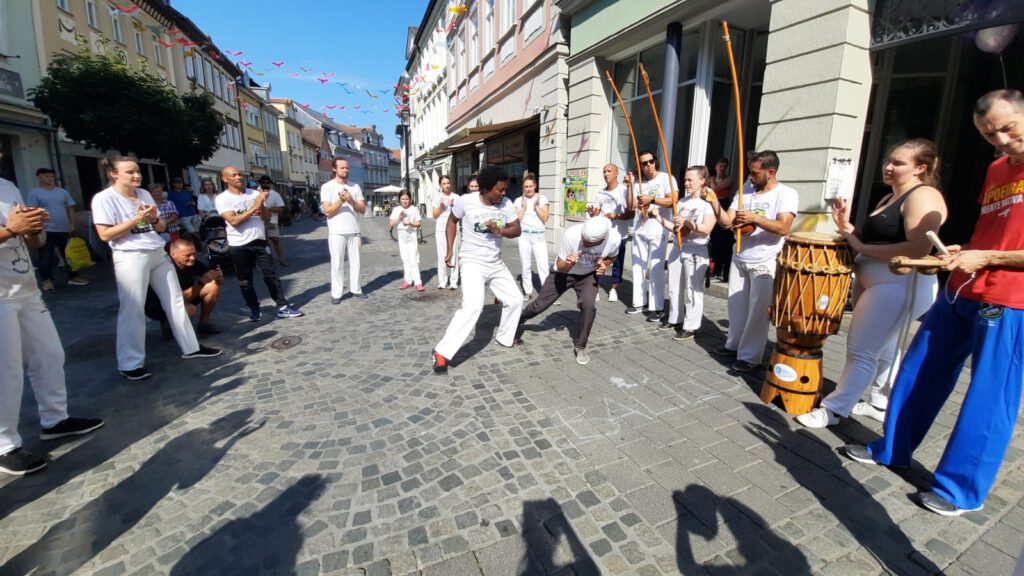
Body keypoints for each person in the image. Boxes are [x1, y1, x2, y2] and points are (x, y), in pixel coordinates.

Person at [843, 89, 1024, 516]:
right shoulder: (998, 168)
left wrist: (992, 257)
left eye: (1006, 127)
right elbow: (996, 228)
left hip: (1011, 299)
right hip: (962, 286)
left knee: (989, 395)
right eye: (987, 133)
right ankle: (892, 447)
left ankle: (960, 489)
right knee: (918, 368)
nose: (998, 139)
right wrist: (967, 249)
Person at [797, 139, 947, 429]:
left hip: (898, 284)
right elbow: (870, 240)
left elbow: (917, 249)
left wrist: (860, 247)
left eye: (898, 163)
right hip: (880, 283)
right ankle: (879, 402)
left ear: (920, 168)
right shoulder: (888, 197)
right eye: (888, 160)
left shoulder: (923, 195)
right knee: (884, 347)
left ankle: (835, 409)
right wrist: (846, 226)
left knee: (861, 350)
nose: (888, 167)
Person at [0, 177, 104, 475]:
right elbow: (11, 230)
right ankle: (4, 444)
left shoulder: (7, 186)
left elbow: (32, 241)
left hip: (25, 287)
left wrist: (34, 230)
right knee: (6, 372)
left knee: (50, 356)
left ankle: (55, 420)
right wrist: (11, 229)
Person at [92, 158, 221, 381]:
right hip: (130, 255)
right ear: (113, 174)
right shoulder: (104, 198)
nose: (136, 175)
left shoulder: (143, 194)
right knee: (132, 308)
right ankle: (130, 363)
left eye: (138, 171)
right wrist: (136, 219)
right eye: (130, 172)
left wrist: (152, 218)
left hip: (156, 251)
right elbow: (104, 234)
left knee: (176, 301)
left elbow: (161, 226)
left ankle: (191, 347)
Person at [703, 150, 798, 372]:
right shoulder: (746, 190)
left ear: (771, 172)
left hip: (765, 260)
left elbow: (784, 227)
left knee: (758, 311)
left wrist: (755, 217)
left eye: (755, 173)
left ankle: (750, 356)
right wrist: (714, 202)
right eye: (750, 172)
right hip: (740, 256)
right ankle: (734, 344)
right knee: (736, 305)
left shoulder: (786, 193)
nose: (751, 177)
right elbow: (727, 222)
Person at [432, 166, 522, 375]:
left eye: (504, 189)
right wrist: (449, 250)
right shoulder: (466, 201)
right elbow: (452, 222)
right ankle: (441, 352)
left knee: (516, 299)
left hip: (495, 263)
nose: (503, 193)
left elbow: (516, 229)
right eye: (499, 189)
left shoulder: (506, 204)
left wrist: (500, 230)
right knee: (473, 307)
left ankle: (505, 336)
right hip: (472, 261)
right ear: (487, 188)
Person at [518, 216, 620, 365]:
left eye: (589, 243)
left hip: (587, 276)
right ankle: (519, 318)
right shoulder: (572, 234)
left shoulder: (614, 238)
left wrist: (604, 264)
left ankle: (580, 346)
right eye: (583, 239)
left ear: (603, 239)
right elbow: (560, 265)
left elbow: (612, 257)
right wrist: (568, 263)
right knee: (540, 305)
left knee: (589, 306)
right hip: (562, 274)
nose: (583, 243)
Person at [216, 166, 303, 321]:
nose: (238, 177)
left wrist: (261, 205)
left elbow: (267, 218)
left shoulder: (254, 194)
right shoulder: (223, 198)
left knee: (271, 275)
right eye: (233, 175)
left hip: (259, 241)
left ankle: (282, 307)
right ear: (225, 179)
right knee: (245, 280)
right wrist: (254, 207)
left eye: (239, 174)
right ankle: (255, 309)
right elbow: (234, 221)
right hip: (239, 244)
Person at [649, 165, 716, 340]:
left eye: (689, 180)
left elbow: (706, 229)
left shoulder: (709, 203)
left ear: (702, 181)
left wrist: (688, 223)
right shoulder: (682, 202)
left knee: (692, 289)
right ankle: (675, 318)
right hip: (679, 247)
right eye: (685, 179)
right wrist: (657, 217)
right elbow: (674, 228)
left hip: (696, 248)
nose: (686, 183)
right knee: (674, 285)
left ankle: (691, 325)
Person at [626, 151, 678, 321]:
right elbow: (631, 206)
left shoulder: (666, 178)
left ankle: (657, 307)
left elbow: (673, 200)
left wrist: (652, 200)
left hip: (658, 229)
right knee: (637, 268)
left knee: (656, 269)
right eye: (644, 163)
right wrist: (631, 186)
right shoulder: (639, 182)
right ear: (639, 166)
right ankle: (639, 301)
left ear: (655, 161)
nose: (648, 165)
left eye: (650, 161)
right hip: (640, 229)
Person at [144, 238, 224, 336]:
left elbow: (218, 283)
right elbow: (175, 298)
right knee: (190, 309)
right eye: (187, 255)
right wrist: (201, 283)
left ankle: (204, 324)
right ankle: (182, 335)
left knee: (213, 287)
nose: (192, 258)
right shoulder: (165, 269)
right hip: (158, 305)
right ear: (173, 254)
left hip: (183, 297)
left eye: (194, 254)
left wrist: (218, 277)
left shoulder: (194, 263)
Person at [26, 167, 89, 290]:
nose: (49, 178)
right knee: (46, 256)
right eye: (46, 176)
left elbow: (70, 207)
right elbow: (32, 211)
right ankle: (47, 280)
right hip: (46, 230)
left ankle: (74, 277)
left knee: (70, 254)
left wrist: (72, 223)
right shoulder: (34, 193)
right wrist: (37, 228)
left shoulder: (62, 192)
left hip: (64, 228)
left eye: (51, 176)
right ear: (39, 177)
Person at [321, 158, 366, 304]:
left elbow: (363, 209)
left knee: (356, 262)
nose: (345, 170)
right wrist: (341, 201)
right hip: (336, 231)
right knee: (337, 263)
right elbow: (327, 211)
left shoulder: (355, 187)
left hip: (354, 230)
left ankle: (356, 289)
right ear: (334, 169)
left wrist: (351, 201)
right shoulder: (327, 187)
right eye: (342, 168)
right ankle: (337, 293)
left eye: (347, 168)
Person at [587, 164, 634, 303]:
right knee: (599, 261)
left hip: (620, 235)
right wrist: (593, 215)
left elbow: (631, 214)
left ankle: (613, 289)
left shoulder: (625, 191)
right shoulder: (600, 193)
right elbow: (597, 215)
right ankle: (596, 288)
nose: (606, 174)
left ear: (616, 173)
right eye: (604, 171)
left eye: (609, 171)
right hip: (604, 236)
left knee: (617, 264)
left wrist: (616, 216)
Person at [513, 172, 550, 299]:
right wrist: (523, 207)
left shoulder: (542, 199)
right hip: (524, 236)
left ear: (535, 186)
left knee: (543, 265)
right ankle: (528, 291)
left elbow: (545, 218)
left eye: (530, 186)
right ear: (523, 188)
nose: (528, 189)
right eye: (526, 187)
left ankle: (546, 294)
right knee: (525, 264)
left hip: (539, 236)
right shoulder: (518, 201)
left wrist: (536, 206)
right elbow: (518, 220)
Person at [389, 189, 425, 291]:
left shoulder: (414, 209)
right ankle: (407, 281)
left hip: (411, 235)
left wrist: (410, 223)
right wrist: (399, 218)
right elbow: (391, 223)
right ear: (400, 200)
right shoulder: (396, 209)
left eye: (407, 199)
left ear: (410, 199)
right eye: (403, 199)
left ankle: (418, 282)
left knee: (413, 259)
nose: (405, 201)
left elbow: (419, 224)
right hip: (401, 236)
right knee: (405, 259)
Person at [708, 157, 736, 281]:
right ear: (716, 167)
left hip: (723, 204)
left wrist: (713, 180)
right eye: (721, 166)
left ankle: (723, 269)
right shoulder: (712, 178)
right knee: (714, 237)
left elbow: (715, 189)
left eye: (725, 166)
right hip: (712, 205)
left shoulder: (728, 178)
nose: (723, 168)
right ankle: (714, 267)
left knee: (724, 237)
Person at [432, 175, 460, 290]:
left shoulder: (456, 197)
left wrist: (453, 205)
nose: (447, 185)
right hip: (441, 228)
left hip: (454, 228)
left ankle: (454, 280)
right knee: (441, 254)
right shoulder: (437, 197)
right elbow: (434, 215)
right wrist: (440, 206)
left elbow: (460, 214)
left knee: (454, 253)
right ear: (440, 185)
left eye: (448, 183)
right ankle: (442, 280)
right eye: (444, 183)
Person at [257, 176, 289, 267]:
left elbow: (281, 209)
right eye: (263, 182)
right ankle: (264, 262)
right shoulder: (255, 193)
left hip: (272, 221)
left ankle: (281, 259)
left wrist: (269, 208)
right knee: (261, 243)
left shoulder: (275, 194)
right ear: (260, 183)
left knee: (276, 240)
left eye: (267, 182)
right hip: (258, 222)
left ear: (270, 184)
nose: (265, 184)